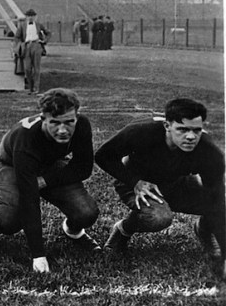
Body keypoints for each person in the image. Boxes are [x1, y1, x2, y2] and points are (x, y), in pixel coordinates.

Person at [0, 88, 101, 272]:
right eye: (55, 123)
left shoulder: (82, 125)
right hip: (10, 164)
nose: (63, 130)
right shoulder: (26, 138)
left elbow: (83, 167)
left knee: (86, 212)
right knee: (9, 220)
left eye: (69, 122)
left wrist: (45, 180)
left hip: (50, 164)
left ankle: (73, 232)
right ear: (43, 119)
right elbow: (29, 199)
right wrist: (38, 256)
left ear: (77, 116)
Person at [96, 98, 224, 278]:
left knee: (221, 202)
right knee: (159, 217)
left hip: (177, 183)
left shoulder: (208, 150)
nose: (190, 137)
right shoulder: (142, 132)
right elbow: (103, 156)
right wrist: (135, 182)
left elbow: (216, 196)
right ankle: (122, 231)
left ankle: (203, 229)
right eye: (182, 129)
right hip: (136, 183)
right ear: (167, 126)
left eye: (196, 130)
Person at [15, 9, 47, 94]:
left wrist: (44, 41)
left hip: (36, 45)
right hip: (26, 46)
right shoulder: (22, 26)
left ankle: (36, 88)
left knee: (36, 68)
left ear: (35, 17)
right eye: (29, 16)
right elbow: (17, 37)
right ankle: (30, 87)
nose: (30, 18)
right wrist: (20, 45)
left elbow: (48, 33)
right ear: (26, 17)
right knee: (27, 68)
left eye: (32, 16)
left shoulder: (39, 25)